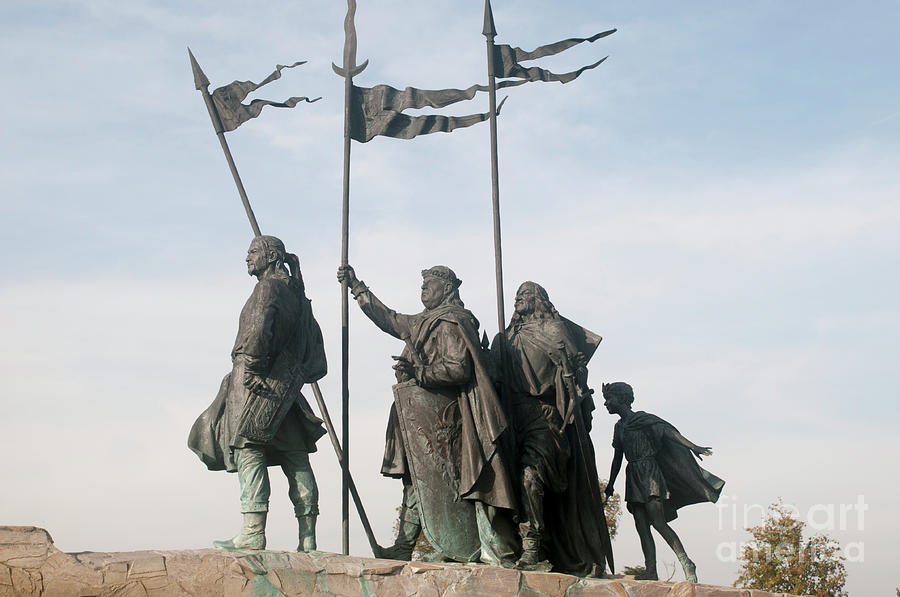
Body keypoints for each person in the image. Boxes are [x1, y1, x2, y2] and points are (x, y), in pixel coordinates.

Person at [337, 264, 518, 565]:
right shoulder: (423, 321)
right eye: (422, 283)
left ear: (447, 288)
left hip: (452, 421)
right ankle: (404, 546)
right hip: (425, 421)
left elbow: (459, 368)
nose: (423, 288)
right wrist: (357, 288)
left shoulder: (451, 322)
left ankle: (487, 546)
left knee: (465, 481)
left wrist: (418, 373)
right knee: (416, 479)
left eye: (430, 283)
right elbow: (390, 319)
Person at [189, 235, 327, 552]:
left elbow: (257, 327)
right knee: (296, 459)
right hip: (286, 387)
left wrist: (250, 368)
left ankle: (252, 533)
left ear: (271, 256)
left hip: (255, 382)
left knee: (250, 452)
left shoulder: (267, 288)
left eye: (253, 252)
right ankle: (308, 537)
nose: (247, 258)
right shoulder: (298, 296)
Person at [491, 281, 612, 575]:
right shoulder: (506, 338)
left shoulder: (554, 330)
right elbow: (491, 375)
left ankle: (532, 548)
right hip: (511, 418)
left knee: (531, 477)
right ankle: (518, 545)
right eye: (517, 295)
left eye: (525, 294)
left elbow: (577, 372)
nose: (518, 299)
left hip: (545, 416)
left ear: (538, 300)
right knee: (505, 480)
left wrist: (568, 366)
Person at [602, 382, 725, 582]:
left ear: (622, 399)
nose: (606, 404)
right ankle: (651, 570)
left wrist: (693, 446)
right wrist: (610, 485)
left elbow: (669, 433)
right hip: (633, 474)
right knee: (641, 525)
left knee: (658, 522)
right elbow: (618, 458)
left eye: (609, 399)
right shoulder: (619, 428)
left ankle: (687, 562)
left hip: (650, 473)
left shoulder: (643, 420)